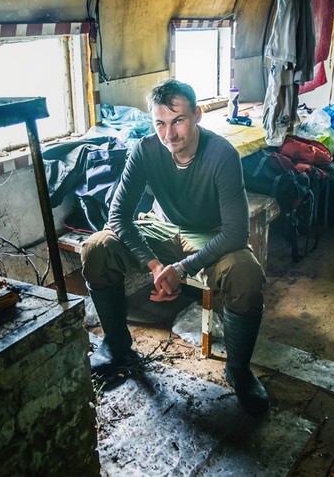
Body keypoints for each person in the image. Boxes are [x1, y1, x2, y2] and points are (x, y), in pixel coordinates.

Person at [80, 79, 269, 414]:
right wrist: (155, 266)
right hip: (161, 226)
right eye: (161, 124)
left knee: (246, 275)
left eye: (178, 120)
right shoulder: (145, 150)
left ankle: (238, 370)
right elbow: (119, 215)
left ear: (196, 114)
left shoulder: (222, 154)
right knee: (97, 248)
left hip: (210, 233)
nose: (170, 135)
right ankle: (117, 344)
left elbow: (237, 233)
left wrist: (181, 269)